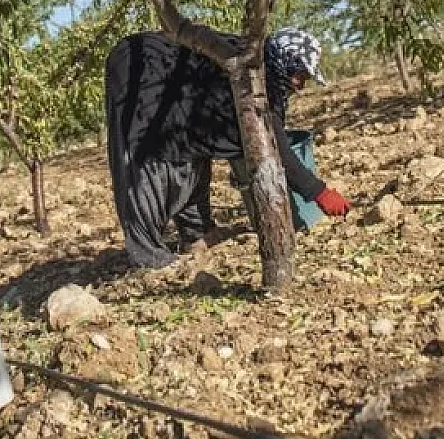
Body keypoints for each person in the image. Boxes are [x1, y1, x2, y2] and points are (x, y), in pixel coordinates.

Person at [104, 27, 352, 269]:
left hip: (182, 103)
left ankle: (196, 234)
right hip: (141, 75)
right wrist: (318, 192)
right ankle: (148, 257)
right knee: (153, 165)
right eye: (300, 76)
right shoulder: (248, 78)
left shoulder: (263, 77)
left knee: (194, 152)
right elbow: (276, 146)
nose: (301, 86)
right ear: (283, 63)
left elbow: (265, 137)